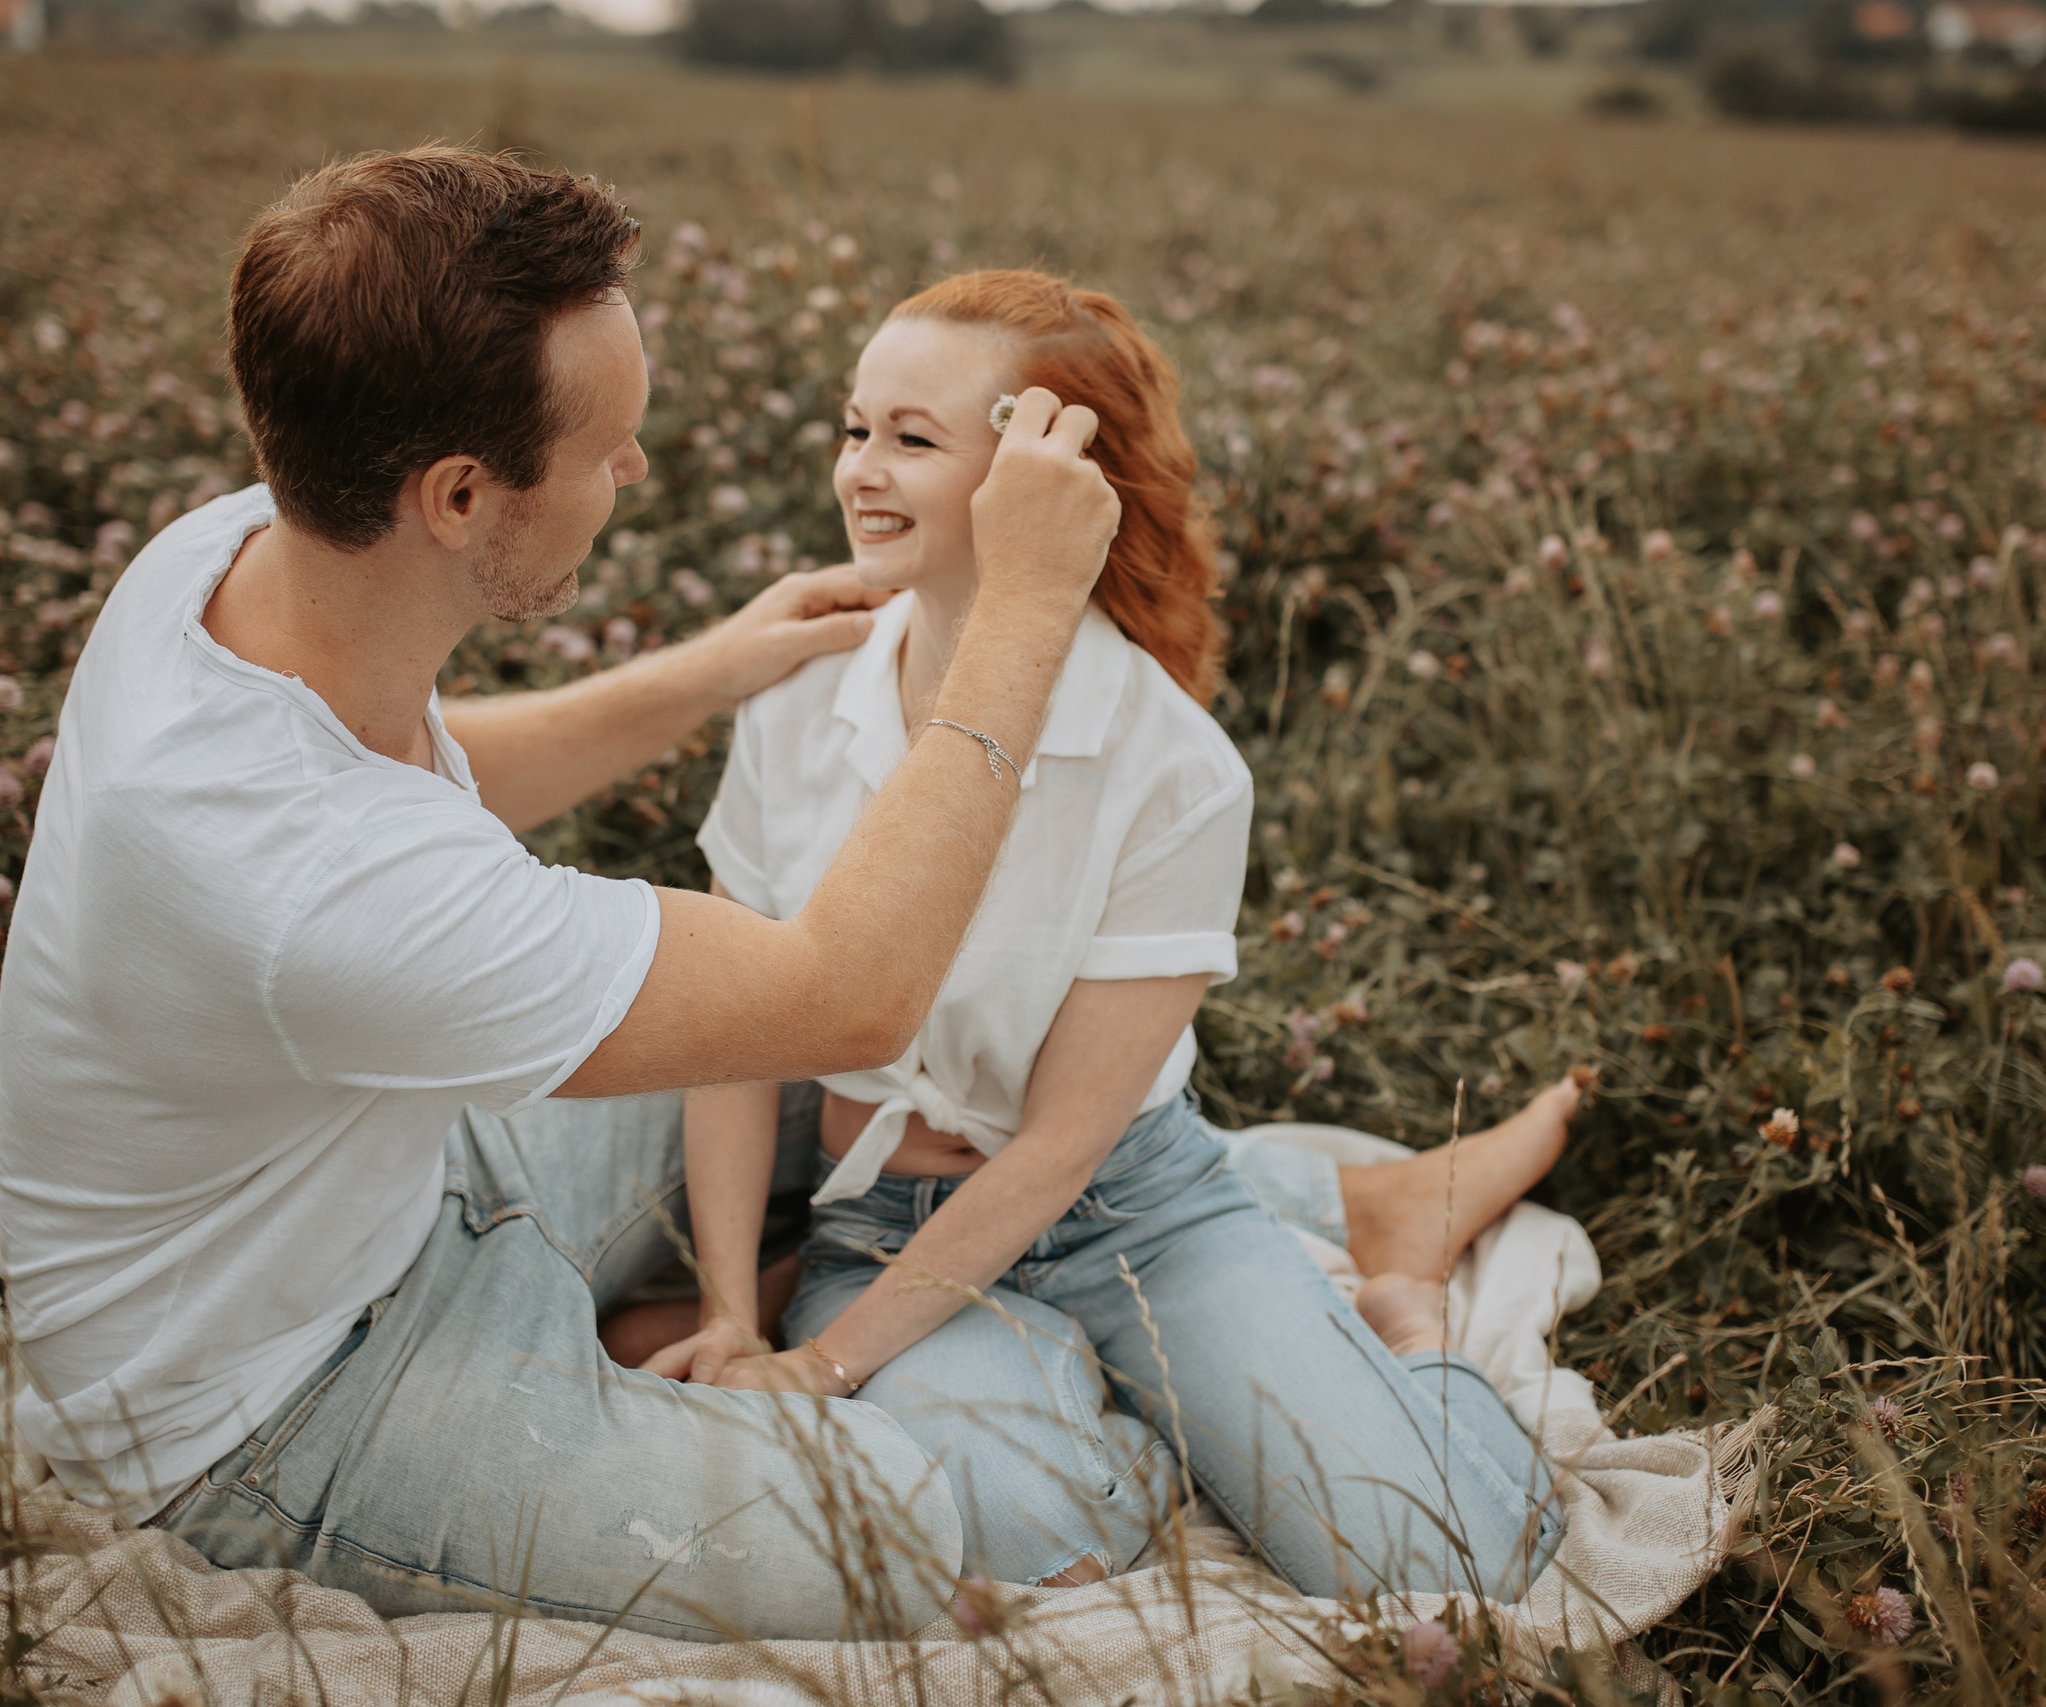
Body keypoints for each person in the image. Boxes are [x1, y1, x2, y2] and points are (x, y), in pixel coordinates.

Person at [0, 150, 1125, 1644]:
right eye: (609, 447)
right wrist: (1030, 608)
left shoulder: (232, 553)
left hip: (388, 1170)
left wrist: (707, 668)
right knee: (889, 1529)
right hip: (273, 1405)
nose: (635, 475)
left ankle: (640, 1330)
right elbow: (850, 986)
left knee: (826, 1099)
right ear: (461, 494)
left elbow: (428, 788)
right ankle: (634, 1352)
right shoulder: (315, 885)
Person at [643, 271, 1576, 1602]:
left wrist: (820, 1368)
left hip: (1132, 1212)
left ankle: (1402, 1327)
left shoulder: (1170, 766)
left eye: (914, 439)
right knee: (1030, 1540)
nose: (861, 473)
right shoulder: (796, 695)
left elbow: (1062, 1144)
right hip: (880, 1226)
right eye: (856, 428)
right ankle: (1169, 1412)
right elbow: (737, 1038)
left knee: (1443, 1564)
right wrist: (738, 1316)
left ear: (1052, 469)